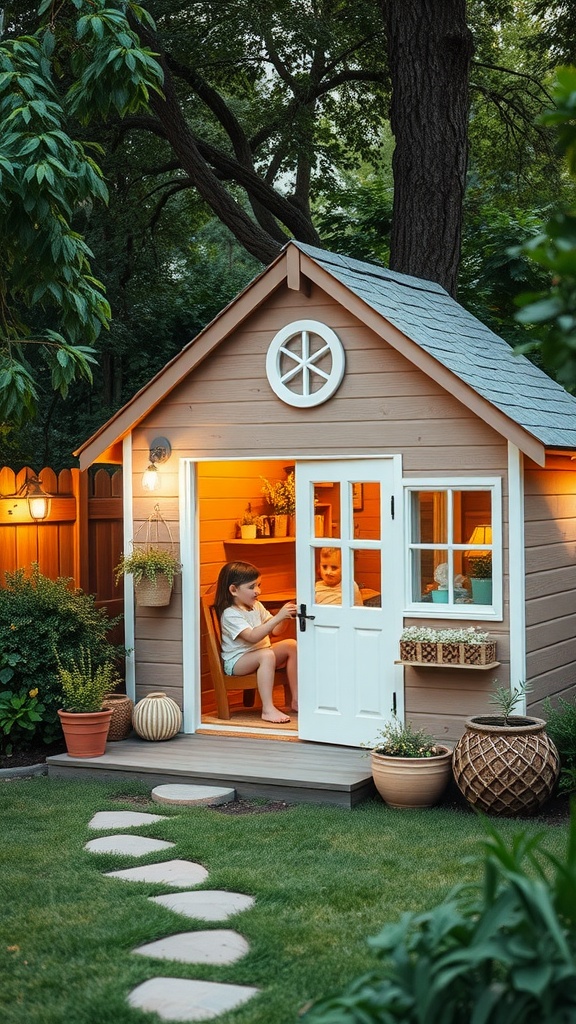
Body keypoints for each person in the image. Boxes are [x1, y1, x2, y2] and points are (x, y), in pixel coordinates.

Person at [214, 561, 298, 724]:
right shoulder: (231, 614)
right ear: (233, 590)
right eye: (252, 587)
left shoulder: (255, 606)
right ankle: (267, 709)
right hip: (237, 662)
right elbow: (252, 636)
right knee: (266, 655)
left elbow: (275, 631)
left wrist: (286, 617)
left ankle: (296, 699)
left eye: (259, 585)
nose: (258, 591)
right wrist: (278, 617)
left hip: (259, 654)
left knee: (291, 645)